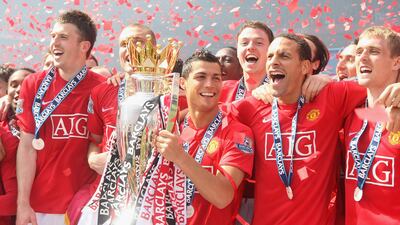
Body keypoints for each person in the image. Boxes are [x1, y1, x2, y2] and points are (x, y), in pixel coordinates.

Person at [232, 33, 367, 225]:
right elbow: (205, 115)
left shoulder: (331, 97)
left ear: (305, 66)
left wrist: (330, 80)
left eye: (284, 56)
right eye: (270, 57)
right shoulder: (253, 105)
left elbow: (380, 82)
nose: (273, 62)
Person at [16, 10, 104, 225]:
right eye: (53, 36)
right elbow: (27, 145)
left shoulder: (102, 88)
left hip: (86, 205)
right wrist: (23, 204)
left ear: (84, 46)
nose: (54, 42)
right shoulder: (33, 84)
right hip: (40, 205)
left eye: (63, 37)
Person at [65, 23, 158, 225]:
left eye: (138, 43)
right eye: (124, 44)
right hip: (107, 198)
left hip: (150, 201)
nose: (130, 49)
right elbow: (95, 139)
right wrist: (92, 159)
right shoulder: (103, 91)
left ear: (154, 50)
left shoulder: (172, 94)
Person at [155, 49, 254, 225]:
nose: (210, 84)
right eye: (201, 77)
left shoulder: (238, 133)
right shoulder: (169, 125)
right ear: (183, 83)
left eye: (216, 78)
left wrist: (180, 157)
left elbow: (222, 196)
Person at [343, 26, 400, 225]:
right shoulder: (350, 112)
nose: (363, 58)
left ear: (397, 62)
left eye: (374, 51)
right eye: (359, 52)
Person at [0, 68, 34, 225]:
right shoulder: (2, 127)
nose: (20, 88)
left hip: (45, 210)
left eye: (26, 82)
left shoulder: (52, 125)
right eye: (14, 84)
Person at [219, 21, 274, 103]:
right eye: (244, 43)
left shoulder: (282, 92)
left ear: (270, 51)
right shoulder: (221, 90)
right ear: (238, 52)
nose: (250, 47)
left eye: (259, 43)